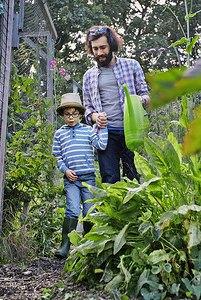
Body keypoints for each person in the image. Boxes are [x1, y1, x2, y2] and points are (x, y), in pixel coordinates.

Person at [82, 25, 150, 184]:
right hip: (105, 134)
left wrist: (139, 101)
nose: (99, 53)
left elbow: (146, 95)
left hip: (131, 131)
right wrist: (94, 117)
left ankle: (134, 209)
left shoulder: (132, 65)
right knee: (109, 179)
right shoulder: (88, 76)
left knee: (132, 179)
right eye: (95, 49)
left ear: (111, 45)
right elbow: (87, 110)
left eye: (103, 48)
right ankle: (112, 209)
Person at [52, 93, 108, 258]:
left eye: (74, 114)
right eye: (67, 114)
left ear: (81, 115)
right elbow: (57, 157)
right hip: (72, 179)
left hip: (88, 178)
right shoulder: (59, 134)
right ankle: (65, 245)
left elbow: (101, 145)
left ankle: (88, 245)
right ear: (63, 115)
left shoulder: (88, 130)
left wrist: (103, 128)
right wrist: (65, 170)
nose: (71, 117)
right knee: (73, 209)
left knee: (90, 211)